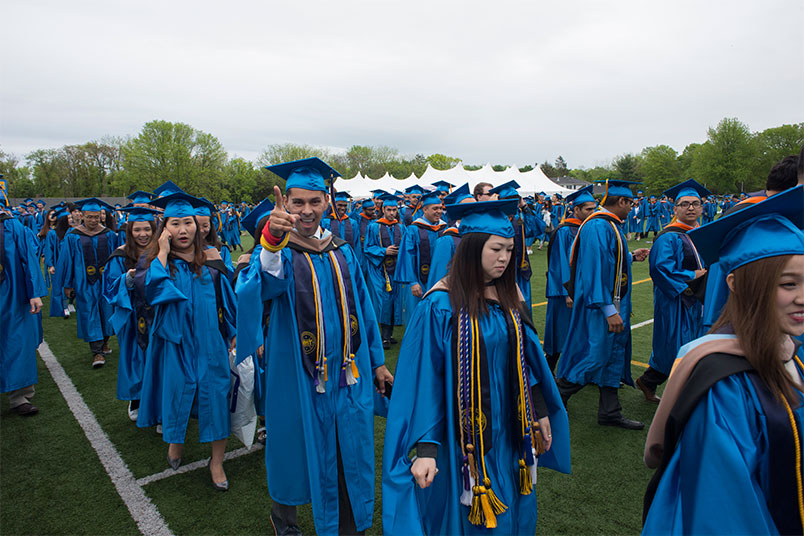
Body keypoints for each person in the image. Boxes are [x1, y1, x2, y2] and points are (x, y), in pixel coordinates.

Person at [382, 199, 571, 535]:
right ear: (471, 249)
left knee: (514, 505)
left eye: (510, 250)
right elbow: (424, 381)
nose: (504, 258)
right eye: (496, 249)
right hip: (460, 438)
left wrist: (538, 409)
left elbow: (527, 361)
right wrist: (426, 448)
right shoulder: (441, 306)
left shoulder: (509, 298)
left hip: (510, 431)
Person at [235, 158, 392, 535]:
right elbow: (258, 290)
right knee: (291, 449)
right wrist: (271, 242)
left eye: (314, 201)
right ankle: (284, 521)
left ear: (328, 201)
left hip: (345, 374)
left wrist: (378, 362)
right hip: (297, 375)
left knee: (347, 451)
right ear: (285, 203)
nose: (306, 210)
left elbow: (364, 309)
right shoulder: (279, 252)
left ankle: (348, 524)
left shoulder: (341, 250)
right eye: (298, 202)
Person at [642, 186, 804, 534]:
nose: (802, 297)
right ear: (737, 284)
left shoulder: (795, 354)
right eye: (788, 284)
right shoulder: (723, 385)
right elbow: (725, 510)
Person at [137, 192, 235, 490]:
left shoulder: (213, 262)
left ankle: (216, 461)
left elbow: (228, 302)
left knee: (217, 396)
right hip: (174, 345)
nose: (183, 229)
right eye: (175, 223)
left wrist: (233, 334)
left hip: (210, 345)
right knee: (176, 393)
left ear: (199, 226)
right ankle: (175, 442)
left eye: (188, 223)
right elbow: (153, 292)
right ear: (164, 228)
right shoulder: (157, 263)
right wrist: (163, 253)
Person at [556, 180, 650, 430]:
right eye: (630, 203)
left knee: (611, 356)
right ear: (621, 201)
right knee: (592, 355)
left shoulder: (608, 225)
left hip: (613, 303)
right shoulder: (598, 226)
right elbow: (594, 270)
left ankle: (610, 411)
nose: (631, 208)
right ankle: (554, 400)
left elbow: (610, 260)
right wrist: (609, 310)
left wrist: (630, 257)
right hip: (600, 307)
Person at [635, 180, 710, 403]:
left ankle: (649, 381)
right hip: (676, 300)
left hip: (698, 300)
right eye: (684, 204)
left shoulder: (702, 232)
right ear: (675, 208)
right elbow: (660, 268)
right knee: (674, 345)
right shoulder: (669, 236)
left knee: (693, 343)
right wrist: (691, 277)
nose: (691, 208)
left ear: (701, 207)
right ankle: (680, 394)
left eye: (695, 203)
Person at [103, 206, 159, 422]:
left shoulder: (161, 252)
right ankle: (135, 397)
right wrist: (127, 279)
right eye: (137, 230)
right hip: (132, 314)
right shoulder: (121, 254)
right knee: (135, 356)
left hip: (157, 313)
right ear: (130, 231)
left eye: (147, 229)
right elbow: (108, 286)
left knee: (157, 355)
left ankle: (158, 398)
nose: (143, 234)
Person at [51, 198, 120, 368]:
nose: (93, 220)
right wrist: (68, 284)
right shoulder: (73, 236)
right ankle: (96, 352)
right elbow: (67, 262)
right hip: (84, 283)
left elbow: (117, 261)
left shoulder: (109, 235)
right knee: (90, 313)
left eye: (96, 217)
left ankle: (105, 342)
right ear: (82, 216)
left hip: (106, 282)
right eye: (89, 217)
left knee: (107, 312)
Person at [1, 191, 47, 416]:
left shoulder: (12, 226)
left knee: (17, 342)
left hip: (12, 295)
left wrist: (34, 293)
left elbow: (28, 260)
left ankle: (20, 398)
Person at [543, 185, 596, 372]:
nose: (593, 212)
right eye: (588, 209)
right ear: (576, 209)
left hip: (583, 289)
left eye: (594, 208)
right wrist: (568, 292)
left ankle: (580, 368)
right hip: (565, 291)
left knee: (581, 331)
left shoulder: (587, 228)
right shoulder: (565, 231)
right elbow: (560, 263)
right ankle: (549, 370)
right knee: (560, 331)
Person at [488, 180, 545, 315]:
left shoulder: (519, 218)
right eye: (509, 199)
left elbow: (538, 229)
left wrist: (525, 207)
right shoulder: (494, 219)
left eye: (515, 199)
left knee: (523, 306)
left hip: (521, 269)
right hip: (503, 269)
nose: (513, 203)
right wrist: (493, 206)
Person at [364, 194, 406, 349]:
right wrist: (384, 251)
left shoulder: (400, 227)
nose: (391, 213)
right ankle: (384, 336)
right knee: (384, 303)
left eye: (394, 210)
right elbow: (367, 248)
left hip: (396, 272)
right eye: (389, 210)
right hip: (381, 272)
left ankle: (390, 334)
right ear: (382, 209)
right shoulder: (374, 227)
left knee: (395, 302)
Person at [395, 191, 446, 317]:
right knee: (416, 315)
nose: (439, 211)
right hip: (419, 282)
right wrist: (412, 282)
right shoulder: (413, 230)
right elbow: (407, 257)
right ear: (425, 209)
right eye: (435, 208)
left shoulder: (444, 229)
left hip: (440, 282)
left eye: (440, 208)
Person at [426, 183, 475, 287]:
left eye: (475, 206)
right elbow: (439, 278)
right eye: (468, 207)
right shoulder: (447, 240)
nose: (474, 210)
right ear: (458, 211)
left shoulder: (480, 235)